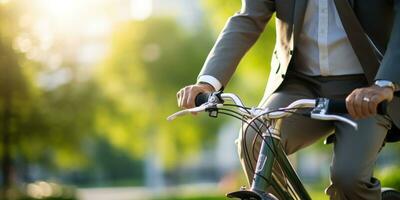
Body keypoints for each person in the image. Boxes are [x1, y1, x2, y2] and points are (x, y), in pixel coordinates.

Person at [176, 0, 400, 199]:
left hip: (367, 86)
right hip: (300, 84)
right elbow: (248, 18)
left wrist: (384, 84)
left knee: (348, 178)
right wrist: (207, 83)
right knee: (253, 137)